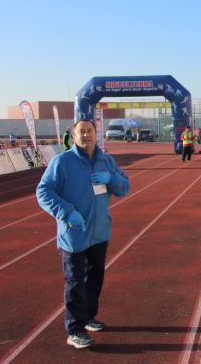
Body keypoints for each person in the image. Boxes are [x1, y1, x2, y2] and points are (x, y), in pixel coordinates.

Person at [36, 119, 130, 349]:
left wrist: (112, 179)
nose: (86, 135)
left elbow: (124, 188)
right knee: (75, 282)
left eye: (90, 131)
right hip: (74, 233)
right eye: (81, 132)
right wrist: (67, 212)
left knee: (95, 277)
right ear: (73, 135)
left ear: (96, 134)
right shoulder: (62, 162)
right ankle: (75, 329)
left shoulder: (106, 160)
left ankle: (88, 316)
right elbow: (43, 191)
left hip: (99, 233)